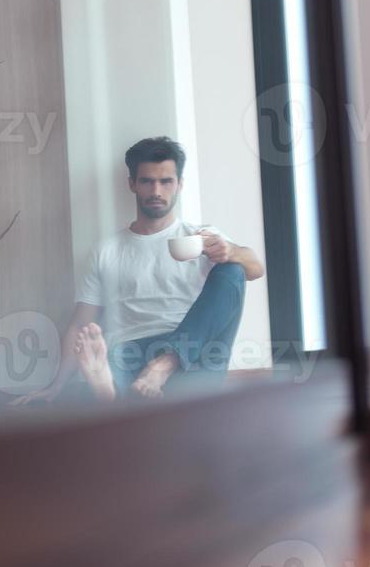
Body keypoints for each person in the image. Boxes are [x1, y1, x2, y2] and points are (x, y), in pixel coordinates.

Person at [14, 136, 265, 403]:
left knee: (233, 271)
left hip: (194, 352)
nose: (156, 191)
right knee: (112, 359)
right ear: (132, 184)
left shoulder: (200, 237)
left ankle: (150, 373)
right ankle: (111, 390)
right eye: (147, 181)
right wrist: (55, 387)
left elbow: (255, 268)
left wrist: (230, 251)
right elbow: (80, 324)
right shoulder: (107, 250)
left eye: (166, 181)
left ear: (179, 185)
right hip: (132, 353)